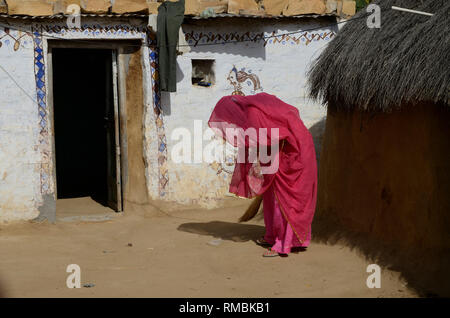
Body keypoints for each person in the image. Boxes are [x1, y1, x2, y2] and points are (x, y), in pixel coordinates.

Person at [208, 93, 317, 257]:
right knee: (271, 196)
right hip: (286, 151)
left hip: (292, 155)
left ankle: (283, 244)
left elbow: (272, 135)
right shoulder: (257, 107)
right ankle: (273, 236)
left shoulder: (254, 112)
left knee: (283, 199)